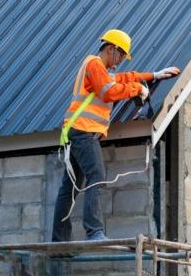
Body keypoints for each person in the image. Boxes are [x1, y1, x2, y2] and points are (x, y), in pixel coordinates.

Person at [52, 29, 180, 241]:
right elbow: (109, 91)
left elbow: (125, 77)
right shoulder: (94, 64)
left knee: (69, 189)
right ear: (111, 49)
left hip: (78, 132)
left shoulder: (100, 69)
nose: (120, 61)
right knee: (96, 176)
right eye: (121, 55)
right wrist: (137, 90)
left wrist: (153, 75)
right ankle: (94, 232)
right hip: (84, 131)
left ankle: (58, 241)